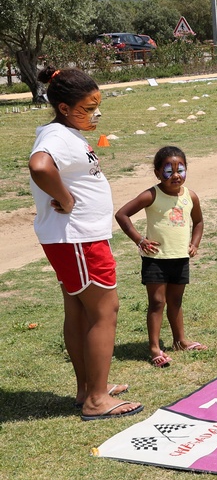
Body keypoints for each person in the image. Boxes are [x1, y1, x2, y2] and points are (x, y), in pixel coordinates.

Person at [28, 67, 143, 421]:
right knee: (105, 310)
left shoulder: (64, 132)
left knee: (80, 312)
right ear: (64, 108)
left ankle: (88, 388)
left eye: (97, 105)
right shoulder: (56, 137)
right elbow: (40, 167)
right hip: (78, 239)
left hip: (76, 240)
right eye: (88, 107)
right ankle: (96, 400)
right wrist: (65, 199)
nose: (96, 114)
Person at [115, 146, 205, 368]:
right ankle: (155, 347)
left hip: (180, 258)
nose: (175, 175)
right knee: (157, 302)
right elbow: (122, 214)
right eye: (168, 171)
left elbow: (199, 222)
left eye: (180, 170)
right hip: (155, 259)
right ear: (157, 173)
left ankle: (180, 340)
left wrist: (194, 244)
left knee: (176, 301)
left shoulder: (190, 196)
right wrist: (139, 240)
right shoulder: (152, 195)